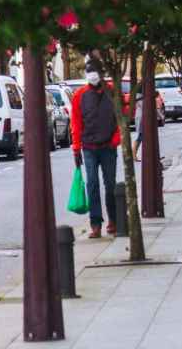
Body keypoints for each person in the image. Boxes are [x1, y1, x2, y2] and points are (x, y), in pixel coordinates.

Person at [70, 59, 121, 239]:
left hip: (108, 146)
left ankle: (113, 220)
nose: (92, 75)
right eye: (89, 71)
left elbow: (120, 116)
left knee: (110, 184)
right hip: (89, 147)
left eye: (94, 71)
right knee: (92, 184)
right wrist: (76, 148)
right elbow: (76, 122)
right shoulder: (79, 95)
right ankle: (96, 223)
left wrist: (116, 138)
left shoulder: (111, 91)